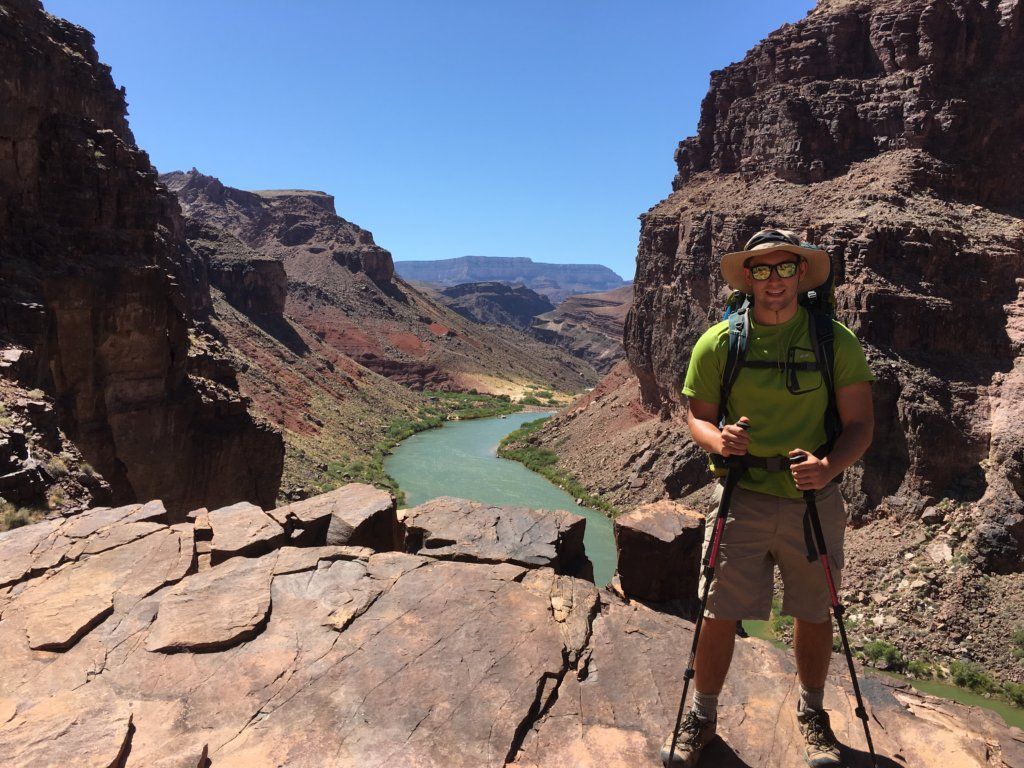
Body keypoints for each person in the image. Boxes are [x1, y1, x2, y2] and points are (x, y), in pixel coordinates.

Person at [662, 229, 875, 767]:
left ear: (801, 275)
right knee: (718, 611)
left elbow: (860, 425)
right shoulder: (718, 342)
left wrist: (829, 468)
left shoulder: (835, 341)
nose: (774, 281)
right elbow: (697, 418)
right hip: (742, 495)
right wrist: (720, 441)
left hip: (813, 499)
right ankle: (703, 717)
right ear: (748, 278)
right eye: (761, 270)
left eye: (784, 269)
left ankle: (812, 715)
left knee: (813, 611)